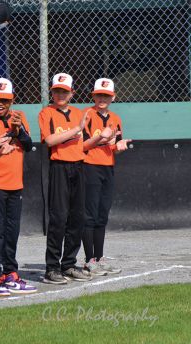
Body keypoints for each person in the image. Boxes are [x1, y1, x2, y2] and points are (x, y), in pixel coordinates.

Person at [0, 78, 37, 297]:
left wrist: (18, 130)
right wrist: (1, 145)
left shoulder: (18, 117)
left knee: (12, 231)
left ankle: (11, 273)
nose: (0, 104)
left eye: (5, 100)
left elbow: (29, 146)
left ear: (11, 100)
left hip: (15, 184)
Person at [38, 73, 92, 285]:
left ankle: (69, 263)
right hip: (59, 167)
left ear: (72, 93)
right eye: (57, 91)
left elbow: (84, 143)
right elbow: (50, 140)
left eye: (64, 91)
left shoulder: (80, 113)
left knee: (77, 217)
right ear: (51, 92)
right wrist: (75, 130)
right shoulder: (47, 113)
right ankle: (52, 267)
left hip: (78, 166)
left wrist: (105, 140)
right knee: (59, 218)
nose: (60, 94)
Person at [82, 78, 130, 275]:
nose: (102, 98)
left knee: (102, 214)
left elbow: (114, 146)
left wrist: (119, 147)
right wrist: (101, 138)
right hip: (90, 166)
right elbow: (83, 145)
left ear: (113, 97)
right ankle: (89, 259)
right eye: (99, 95)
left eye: (106, 95)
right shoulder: (87, 115)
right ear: (93, 95)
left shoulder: (115, 118)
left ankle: (100, 258)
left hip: (107, 168)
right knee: (90, 215)